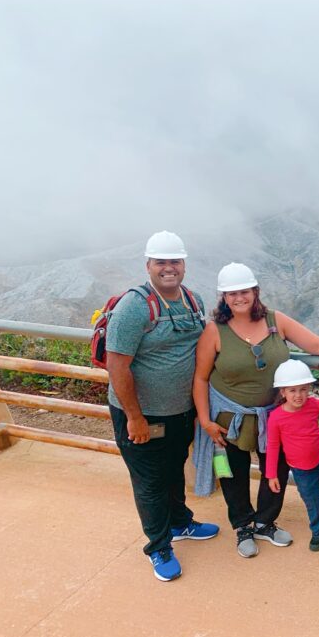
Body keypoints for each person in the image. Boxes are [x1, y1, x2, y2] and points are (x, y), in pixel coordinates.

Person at [192, 262, 319, 559]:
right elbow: (200, 378)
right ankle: (242, 527)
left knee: (275, 469)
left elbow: (315, 344)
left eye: (245, 291)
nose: (239, 297)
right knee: (230, 473)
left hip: (274, 418)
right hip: (228, 420)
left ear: (255, 291)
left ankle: (265, 521)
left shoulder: (276, 321)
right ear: (223, 298)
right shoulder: (215, 331)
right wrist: (205, 421)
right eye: (232, 293)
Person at [106, 230, 219, 582]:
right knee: (150, 480)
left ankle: (181, 522)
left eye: (175, 261)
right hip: (144, 415)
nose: (169, 268)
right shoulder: (134, 306)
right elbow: (117, 365)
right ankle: (158, 545)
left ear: (183, 264)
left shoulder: (192, 300)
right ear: (148, 265)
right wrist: (135, 418)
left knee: (173, 468)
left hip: (180, 412)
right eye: (161, 262)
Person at [265, 359, 319, 552]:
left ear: (309, 389)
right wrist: (271, 474)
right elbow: (273, 446)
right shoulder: (276, 417)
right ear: (282, 392)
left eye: (303, 389)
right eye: (292, 390)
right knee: (313, 501)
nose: (298, 395)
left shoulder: (314, 405)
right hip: (301, 469)